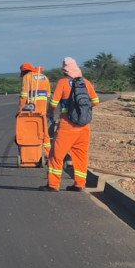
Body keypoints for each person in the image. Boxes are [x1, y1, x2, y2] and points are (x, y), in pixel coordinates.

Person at [44, 57, 99, 191]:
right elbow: (96, 100)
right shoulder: (86, 82)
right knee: (81, 156)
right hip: (84, 126)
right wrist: (82, 110)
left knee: (56, 155)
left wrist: (50, 113)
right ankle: (79, 184)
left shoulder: (62, 83)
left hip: (67, 125)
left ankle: (53, 185)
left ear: (65, 71)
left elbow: (53, 103)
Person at [18, 63, 51, 161]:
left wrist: (21, 110)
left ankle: (30, 154)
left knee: (31, 133)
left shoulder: (27, 78)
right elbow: (48, 94)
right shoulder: (44, 77)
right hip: (42, 110)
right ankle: (49, 154)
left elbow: (24, 96)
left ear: (24, 71)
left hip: (31, 111)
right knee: (44, 133)